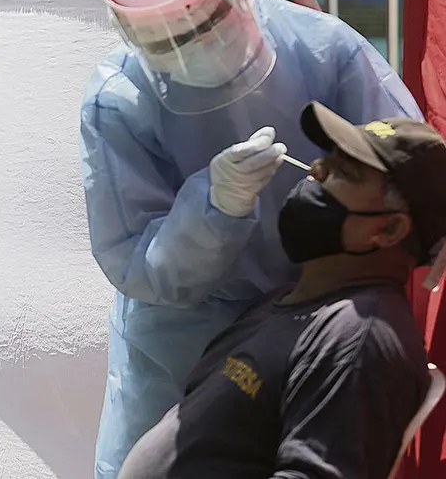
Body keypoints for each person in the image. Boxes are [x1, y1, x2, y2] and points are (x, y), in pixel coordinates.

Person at [81, 0, 423, 478]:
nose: (202, 42)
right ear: (132, 32)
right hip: (180, 349)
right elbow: (138, 263)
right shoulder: (119, 101)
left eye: (212, 18)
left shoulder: (322, 49)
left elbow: (408, 162)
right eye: (173, 40)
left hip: (312, 326)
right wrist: (212, 207)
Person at [118, 101, 440, 478]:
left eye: (345, 172)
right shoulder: (283, 305)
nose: (317, 170)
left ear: (388, 230)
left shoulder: (357, 337)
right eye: (327, 158)